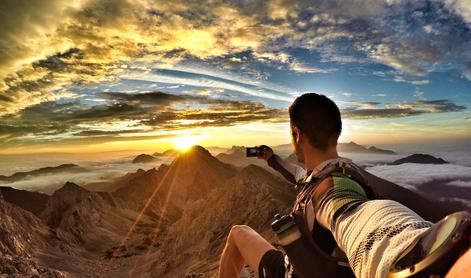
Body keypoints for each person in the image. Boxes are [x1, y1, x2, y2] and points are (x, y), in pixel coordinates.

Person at [217, 93, 470, 278]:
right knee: (240, 232)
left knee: (237, 233)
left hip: (291, 273)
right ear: (335, 132)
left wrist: (412, 249)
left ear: (296, 134)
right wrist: (271, 159)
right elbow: (298, 175)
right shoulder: (337, 172)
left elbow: (350, 212)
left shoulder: (332, 189)